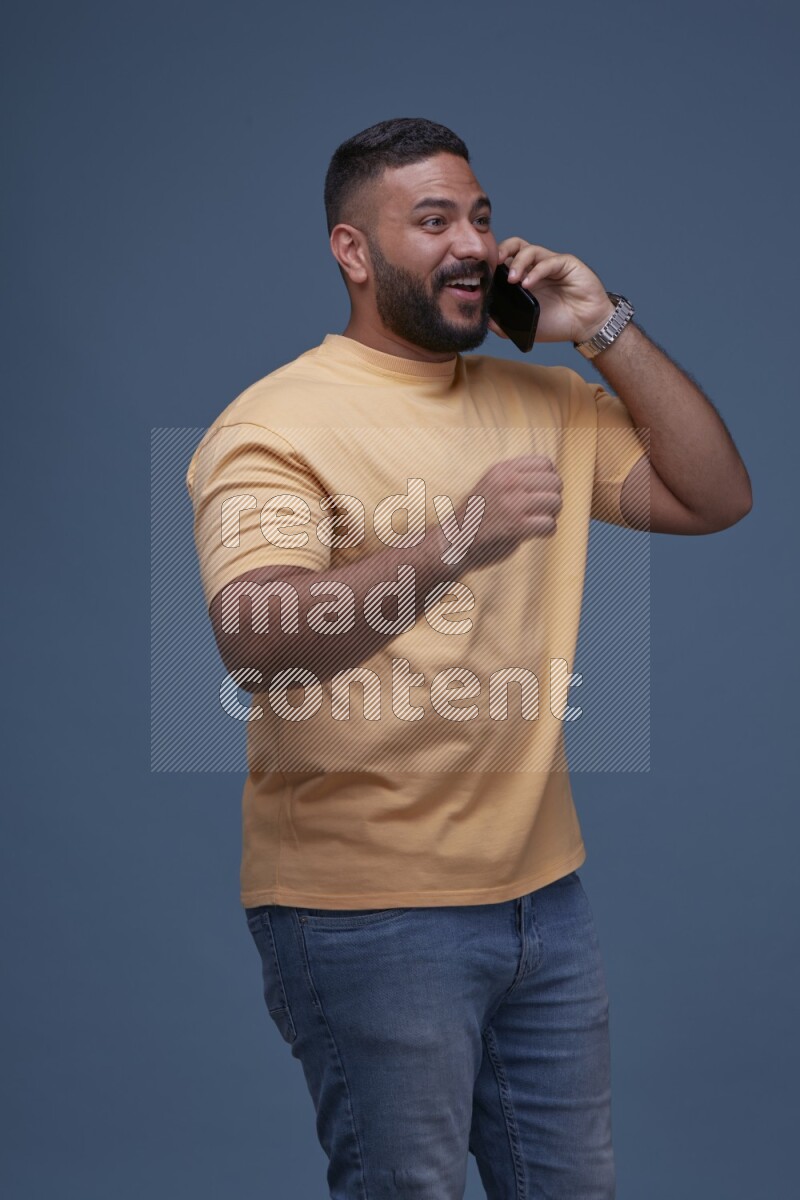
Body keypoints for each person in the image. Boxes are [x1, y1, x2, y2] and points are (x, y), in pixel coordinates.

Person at [185, 117, 751, 1199]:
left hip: (544, 897)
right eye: (432, 220)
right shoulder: (273, 424)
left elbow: (714, 497)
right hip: (364, 913)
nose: (472, 246)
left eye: (480, 216)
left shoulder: (537, 401)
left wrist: (603, 328)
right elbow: (254, 638)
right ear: (352, 252)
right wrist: (455, 541)